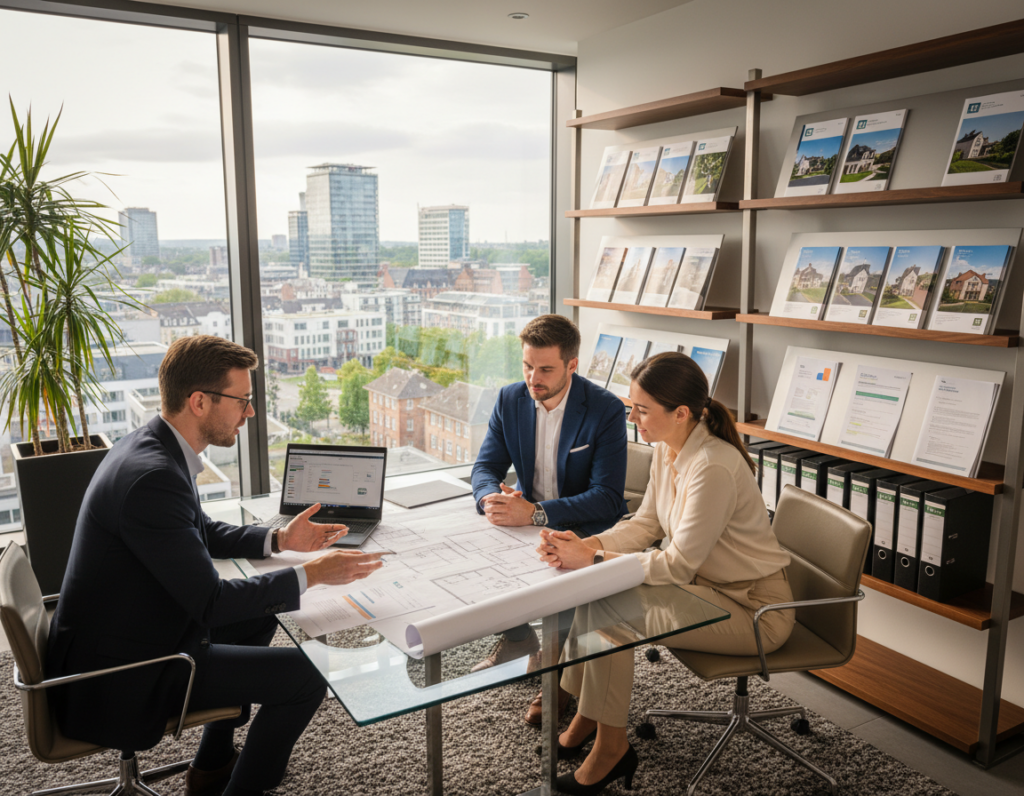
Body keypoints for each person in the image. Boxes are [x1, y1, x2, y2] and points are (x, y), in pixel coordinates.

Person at [46, 335, 387, 796]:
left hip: (126, 634)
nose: (249, 412)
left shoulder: (152, 447)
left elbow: (199, 530)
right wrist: (314, 572)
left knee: (259, 612)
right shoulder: (153, 477)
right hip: (122, 674)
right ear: (200, 401)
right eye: (242, 400)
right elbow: (211, 602)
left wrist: (279, 539)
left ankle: (210, 765)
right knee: (306, 679)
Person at [536, 352, 795, 795]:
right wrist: (588, 546)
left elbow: (677, 563)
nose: (632, 418)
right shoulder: (668, 448)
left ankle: (612, 749)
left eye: (641, 409)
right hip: (705, 591)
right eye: (630, 406)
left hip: (754, 610)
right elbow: (647, 525)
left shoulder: (712, 466)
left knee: (613, 609)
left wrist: (593, 561)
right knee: (594, 590)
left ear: (681, 413)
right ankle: (588, 716)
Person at [470, 314, 628, 721]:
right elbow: (485, 467)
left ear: (572, 365)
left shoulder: (605, 409)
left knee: (561, 577)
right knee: (476, 554)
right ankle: (520, 637)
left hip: (585, 524)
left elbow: (608, 498)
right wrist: (491, 500)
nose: (532, 378)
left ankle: (557, 680)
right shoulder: (510, 399)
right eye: (526, 365)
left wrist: (536, 513)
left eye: (545, 369)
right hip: (528, 518)